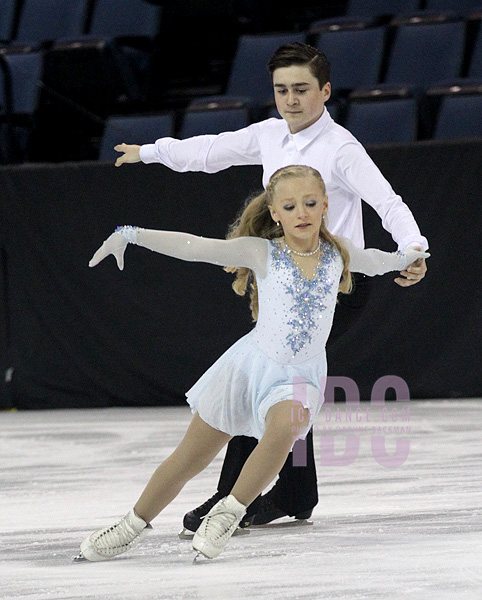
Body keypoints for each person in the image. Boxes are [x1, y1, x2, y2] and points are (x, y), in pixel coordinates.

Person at [112, 42, 429, 532]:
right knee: (283, 386)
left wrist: (414, 249)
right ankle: (296, 492)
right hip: (281, 278)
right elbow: (211, 151)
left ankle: (232, 495)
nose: (291, 100)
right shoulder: (268, 135)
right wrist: (149, 151)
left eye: (301, 89)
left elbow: (388, 202)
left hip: (335, 283)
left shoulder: (342, 148)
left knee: (270, 379)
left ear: (325, 90)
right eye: (282, 90)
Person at [77, 165, 429, 562]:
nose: (302, 213)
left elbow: (381, 260)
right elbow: (197, 247)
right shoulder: (263, 251)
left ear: (326, 205)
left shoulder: (340, 254)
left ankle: (227, 514)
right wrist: (132, 234)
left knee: (285, 427)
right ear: (275, 212)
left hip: (300, 377)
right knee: (189, 458)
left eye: (311, 203)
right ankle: (129, 526)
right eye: (291, 205)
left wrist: (410, 260)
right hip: (248, 369)